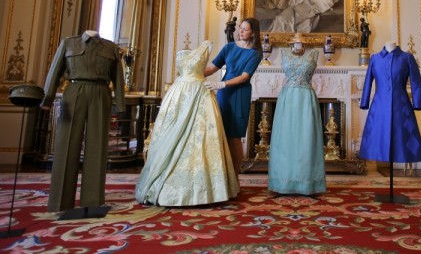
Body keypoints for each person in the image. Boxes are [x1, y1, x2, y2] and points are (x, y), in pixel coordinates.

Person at [135, 41, 239, 206]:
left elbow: (210, 69)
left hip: (199, 93)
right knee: (170, 132)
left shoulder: (208, 46)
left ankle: (204, 189)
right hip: (178, 94)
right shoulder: (183, 53)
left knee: (201, 137)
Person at [41, 30, 125, 212]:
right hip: (73, 91)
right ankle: (60, 201)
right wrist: (47, 99)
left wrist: (120, 105)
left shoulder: (110, 48)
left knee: (97, 146)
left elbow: (118, 78)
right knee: (65, 145)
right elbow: (55, 71)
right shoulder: (69, 43)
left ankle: (93, 200)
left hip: (101, 93)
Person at [204, 17, 263, 177]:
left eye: (245, 29)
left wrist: (222, 84)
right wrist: (193, 73)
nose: (241, 31)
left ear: (253, 33)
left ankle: (235, 176)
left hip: (239, 94)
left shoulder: (256, 54)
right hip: (224, 95)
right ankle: (221, 176)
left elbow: (244, 77)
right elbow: (212, 68)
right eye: (240, 28)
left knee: (235, 136)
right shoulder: (229, 47)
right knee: (221, 132)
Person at [268, 34, 326, 195]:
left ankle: (308, 183)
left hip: (306, 99)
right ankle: (283, 181)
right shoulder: (284, 54)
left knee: (307, 139)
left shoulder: (314, 54)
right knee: (285, 139)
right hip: (287, 99)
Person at [358, 41, 421, 164]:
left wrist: (418, 103)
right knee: (378, 136)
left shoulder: (407, 57)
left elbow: (415, 81)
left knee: (402, 138)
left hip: (402, 106)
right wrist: (364, 101)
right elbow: (368, 81)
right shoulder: (375, 58)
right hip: (379, 107)